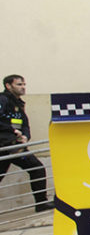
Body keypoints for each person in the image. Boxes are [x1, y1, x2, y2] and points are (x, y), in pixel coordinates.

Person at [0, 75, 53, 212]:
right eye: (19, 84)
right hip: (4, 146)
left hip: (15, 147)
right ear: (8, 86)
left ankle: (41, 203)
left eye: (24, 84)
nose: (23, 87)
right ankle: (41, 203)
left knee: (37, 167)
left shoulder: (18, 103)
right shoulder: (3, 99)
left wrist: (25, 137)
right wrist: (12, 130)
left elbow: (25, 124)